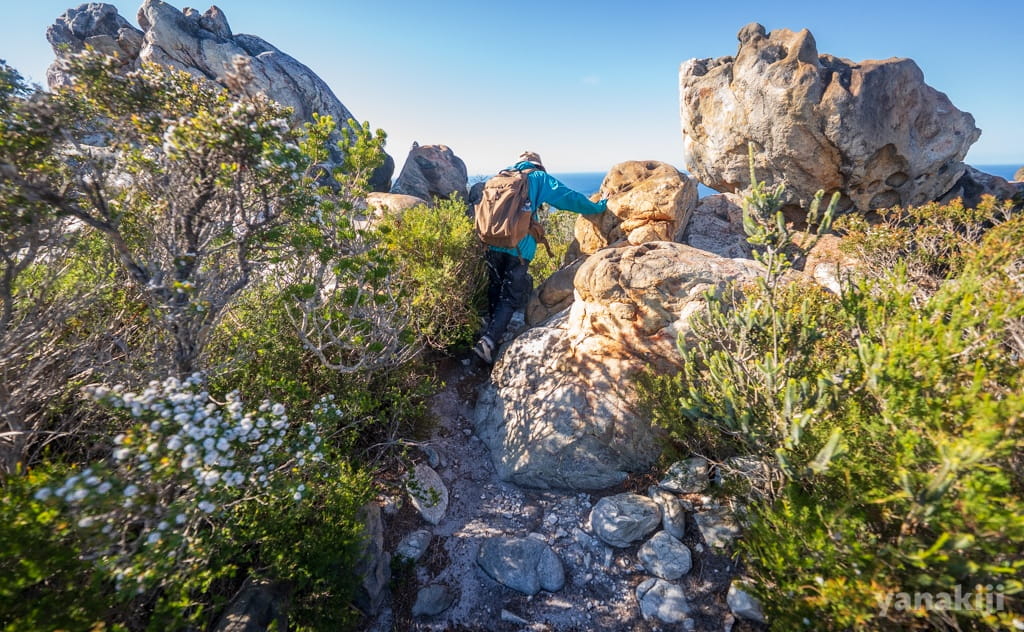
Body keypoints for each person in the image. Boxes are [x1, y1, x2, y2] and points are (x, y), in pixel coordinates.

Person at [473, 151, 607, 364]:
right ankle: (488, 343)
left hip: (492, 243)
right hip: (519, 247)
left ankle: (491, 329)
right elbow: (567, 198)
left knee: (495, 286)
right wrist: (598, 207)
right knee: (509, 296)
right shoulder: (537, 178)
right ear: (538, 165)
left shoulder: (500, 177)